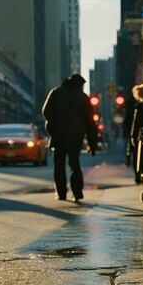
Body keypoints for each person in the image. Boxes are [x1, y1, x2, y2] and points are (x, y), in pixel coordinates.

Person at [42, 74, 97, 202]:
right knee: (74, 164)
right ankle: (77, 193)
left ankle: (61, 193)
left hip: (58, 136)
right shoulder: (83, 98)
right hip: (75, 136)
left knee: (59, 165)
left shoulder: (56, 93)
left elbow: (46, 112)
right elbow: (90, 123)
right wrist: (92, 144)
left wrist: (54, 127)